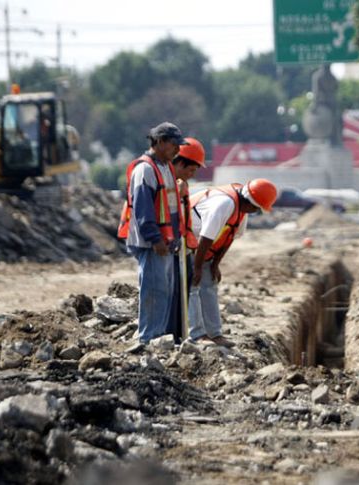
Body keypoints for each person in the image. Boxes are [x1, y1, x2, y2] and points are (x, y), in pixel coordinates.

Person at [117, 122, 190, 344]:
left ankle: (157, 338)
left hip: (165, 242)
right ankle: (148, 338)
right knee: (154, 291)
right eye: (174, 145)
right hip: (152, 243)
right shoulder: (145, 170)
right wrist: (155, 238)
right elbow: (143, 209)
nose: (178, 150)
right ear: (159, 142)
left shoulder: (165, 167)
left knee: (164, 291)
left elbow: (169, 206)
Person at [185, 179, 278, 347]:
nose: (256, 211)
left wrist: (215, 264)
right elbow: (206, 237)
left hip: (204, 250)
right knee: (193, 287)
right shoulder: (225, 204)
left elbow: (229, 238)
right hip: (188, 243)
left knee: (210, 284)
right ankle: (197, 335)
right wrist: (197, 268)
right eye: (257, 208)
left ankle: (215, 334)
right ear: (251, 202)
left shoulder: (241, 211)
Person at [165, 137, 206, 343]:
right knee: (172, 293)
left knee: (184, 288)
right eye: (190, 170)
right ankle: (171, 335)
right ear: (180, 163)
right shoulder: (166, 182)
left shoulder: (180, 184)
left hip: (183, 246)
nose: (192, 175)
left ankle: (180, 334)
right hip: (169, 247)